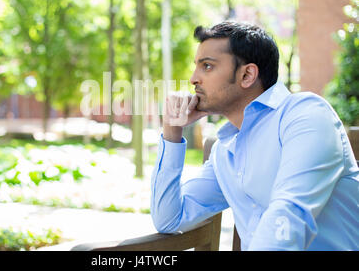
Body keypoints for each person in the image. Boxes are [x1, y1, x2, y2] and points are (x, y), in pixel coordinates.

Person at [150, 21, 359, 251]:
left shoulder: (305, 115)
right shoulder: (225, 151)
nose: (193, 79)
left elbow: (289, 214)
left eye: (207, 66)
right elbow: (169, 219)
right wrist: (171, 131)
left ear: (247, 74)